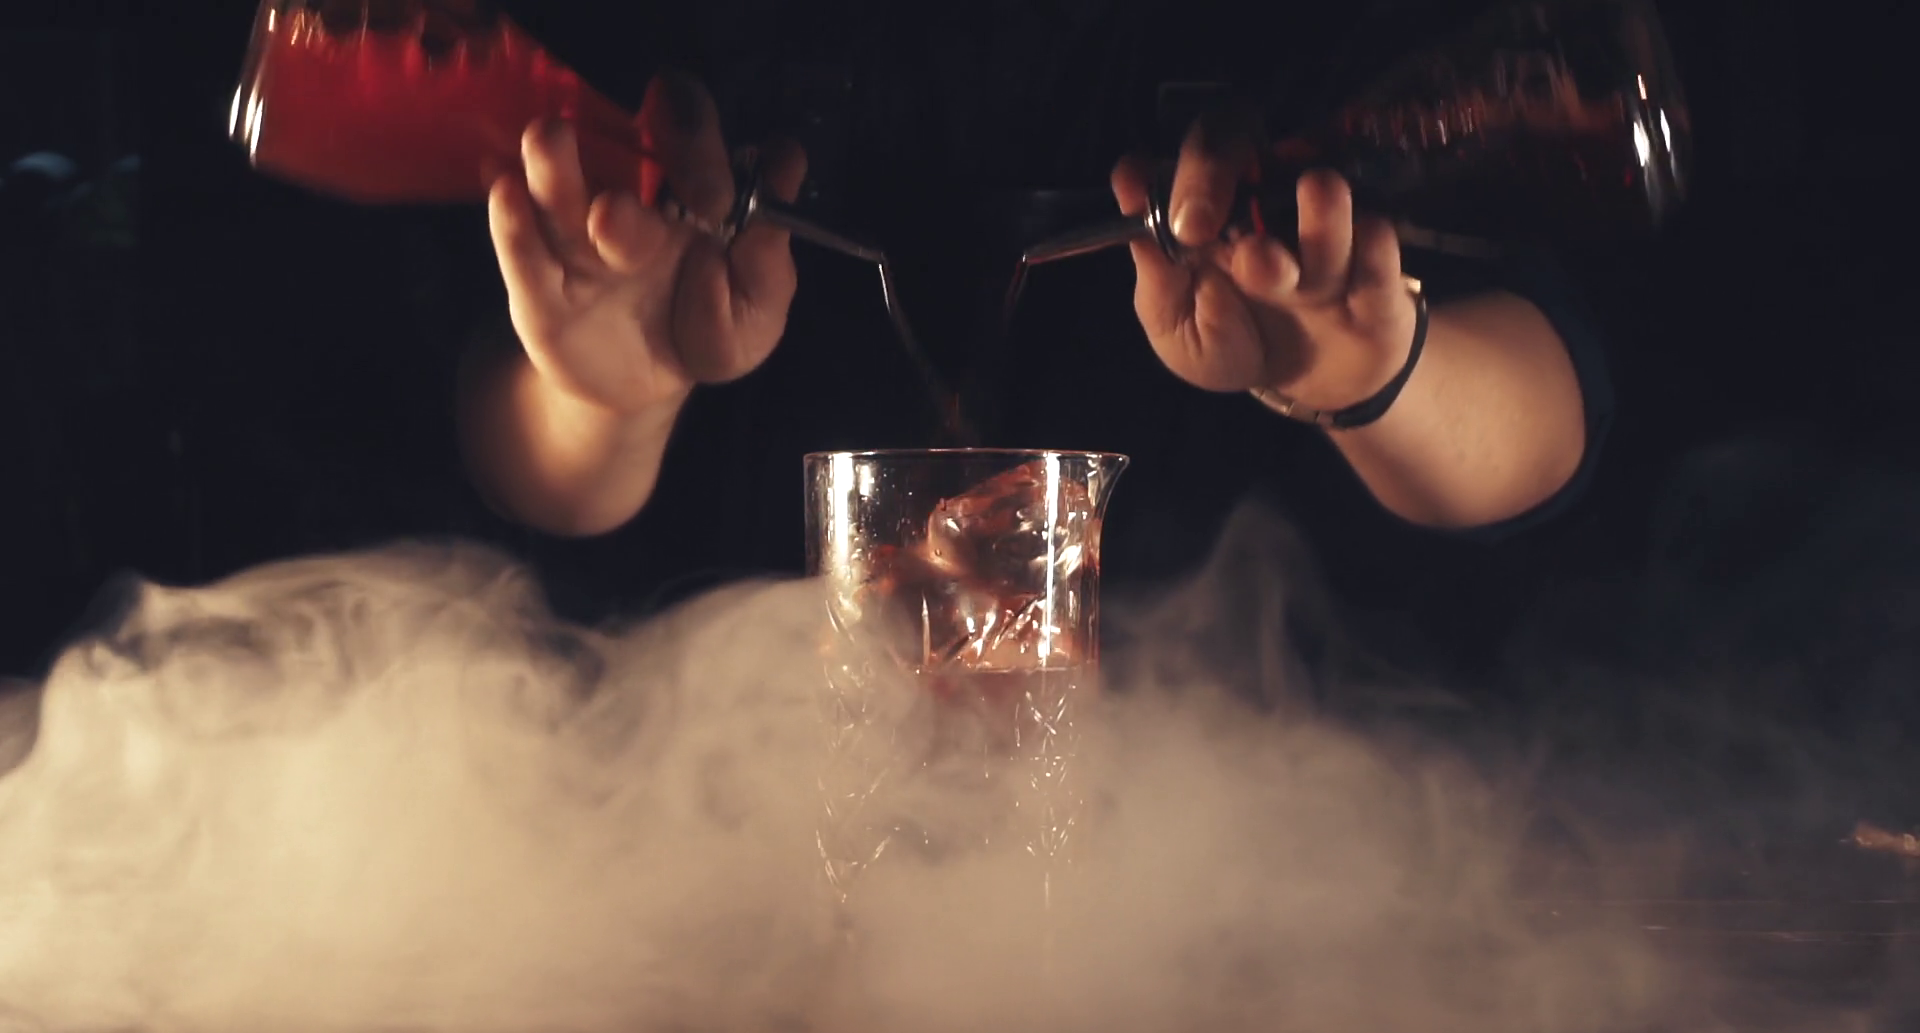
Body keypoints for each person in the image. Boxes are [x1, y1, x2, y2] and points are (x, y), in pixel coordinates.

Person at [455, 3, 1614, 669]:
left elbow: (1558, 399)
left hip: (1262, 835)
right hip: (728, 823)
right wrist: (604, 401)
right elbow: (498, 456)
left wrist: (1371, 374)